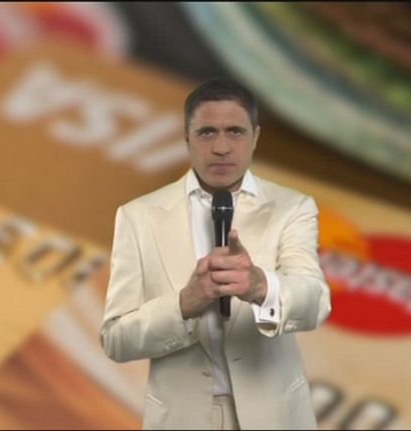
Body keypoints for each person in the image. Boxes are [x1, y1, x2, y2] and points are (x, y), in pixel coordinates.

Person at [100, 77, 331, 430]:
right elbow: (116, 339)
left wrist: (261, 287)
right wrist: (183, 305)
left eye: (235, 132)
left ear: (255, 136)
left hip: (274, 417)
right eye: (207, 132)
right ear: (186, 138)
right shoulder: (138, 216)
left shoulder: (293, 207)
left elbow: (315, 302)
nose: (222, 147)